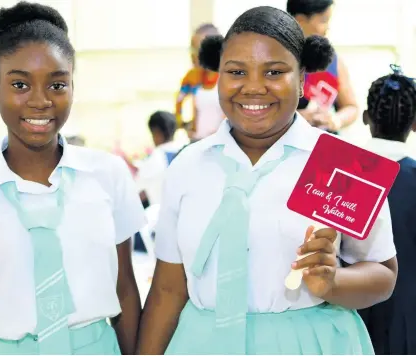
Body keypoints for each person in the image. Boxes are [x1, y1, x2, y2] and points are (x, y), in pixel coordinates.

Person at [136, 6, 398, 355]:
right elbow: (168, 290)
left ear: (303, 77)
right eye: (237, 71)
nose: (254, 87)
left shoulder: (340, 164)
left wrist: (334, 281)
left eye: (274, 71)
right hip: (203, 344)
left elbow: (383, 273)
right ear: (219, 75)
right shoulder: (187, 166)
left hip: (310, 344)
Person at [0, 2, 144, 355]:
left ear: (72, 87)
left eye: (57, 84)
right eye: (20, 84)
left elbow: (126, 291)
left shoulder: (107, 175)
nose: (40, 101)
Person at [357, 65, 416, 355]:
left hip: (348, 315)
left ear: (365, 117)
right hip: (406, 320)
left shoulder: (339, 173)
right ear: (415, 123)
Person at [287, 0, 358, 133]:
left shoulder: (333, 61)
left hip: (322, 144)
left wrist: (336, 120)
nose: (327, 28)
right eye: (323, 21)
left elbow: (351, 107)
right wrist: (295, 118)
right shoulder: (274, 59)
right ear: (300, 20)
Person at [175, 24, 225, 141]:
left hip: (220, 144)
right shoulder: (193, 78)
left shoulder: (228, 76)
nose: (193, 55)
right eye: (192, 48)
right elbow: (179, 102)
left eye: (198, 49)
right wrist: (185, 126)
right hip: (198, 142)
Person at [135, 111, 184, 206]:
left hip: (161, 215)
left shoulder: (154, 158)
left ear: (156, 133)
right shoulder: (187, 150)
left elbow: (136, 193)